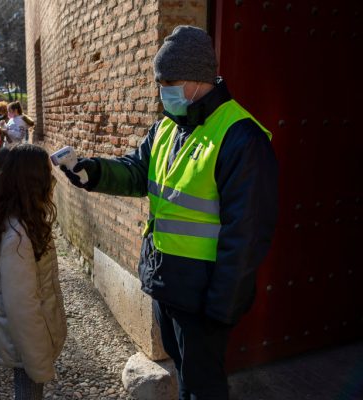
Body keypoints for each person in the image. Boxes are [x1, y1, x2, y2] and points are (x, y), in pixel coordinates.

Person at [60, 25, 278, 399]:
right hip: (168, 283)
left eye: (168, 81)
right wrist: (91, 171)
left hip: (204, 296)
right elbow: (136, 172)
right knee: (183, 375)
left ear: (197, 79)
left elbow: (247, 234)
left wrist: (222, 308)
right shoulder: (166, 127)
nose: (162, 91)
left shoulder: (242, 137)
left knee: (202, 388)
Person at [0, 144, 66, 400]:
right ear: (32, 183)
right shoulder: (18, 238)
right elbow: (22, 308)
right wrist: (39, 362)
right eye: (46, 174)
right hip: (26, 345)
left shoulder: (23, 223)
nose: (52, 180)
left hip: (27, 343)